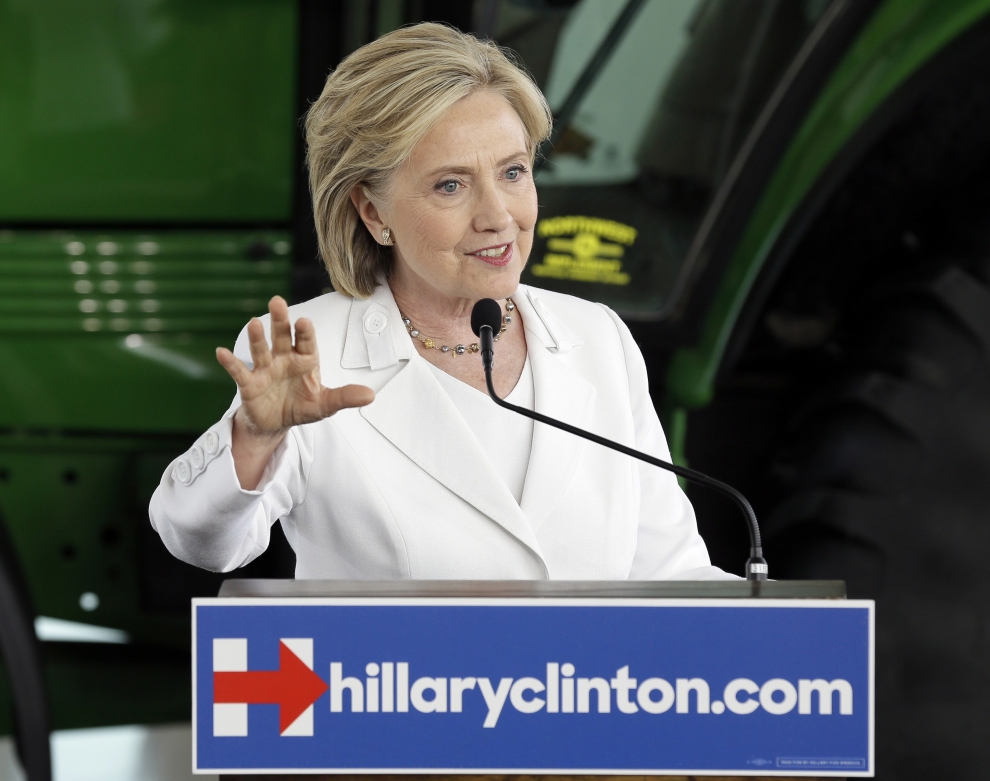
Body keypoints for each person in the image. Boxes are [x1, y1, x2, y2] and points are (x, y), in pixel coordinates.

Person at [149, 23, 728, 581]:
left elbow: (671, 573)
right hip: (388, 683)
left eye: (513, 172)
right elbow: (200, 544)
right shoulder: (308, 352)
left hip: (580, 684)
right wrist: (255, 439)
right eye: (450, 185)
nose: (499, 216)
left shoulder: (597, 336)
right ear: (373, 213)